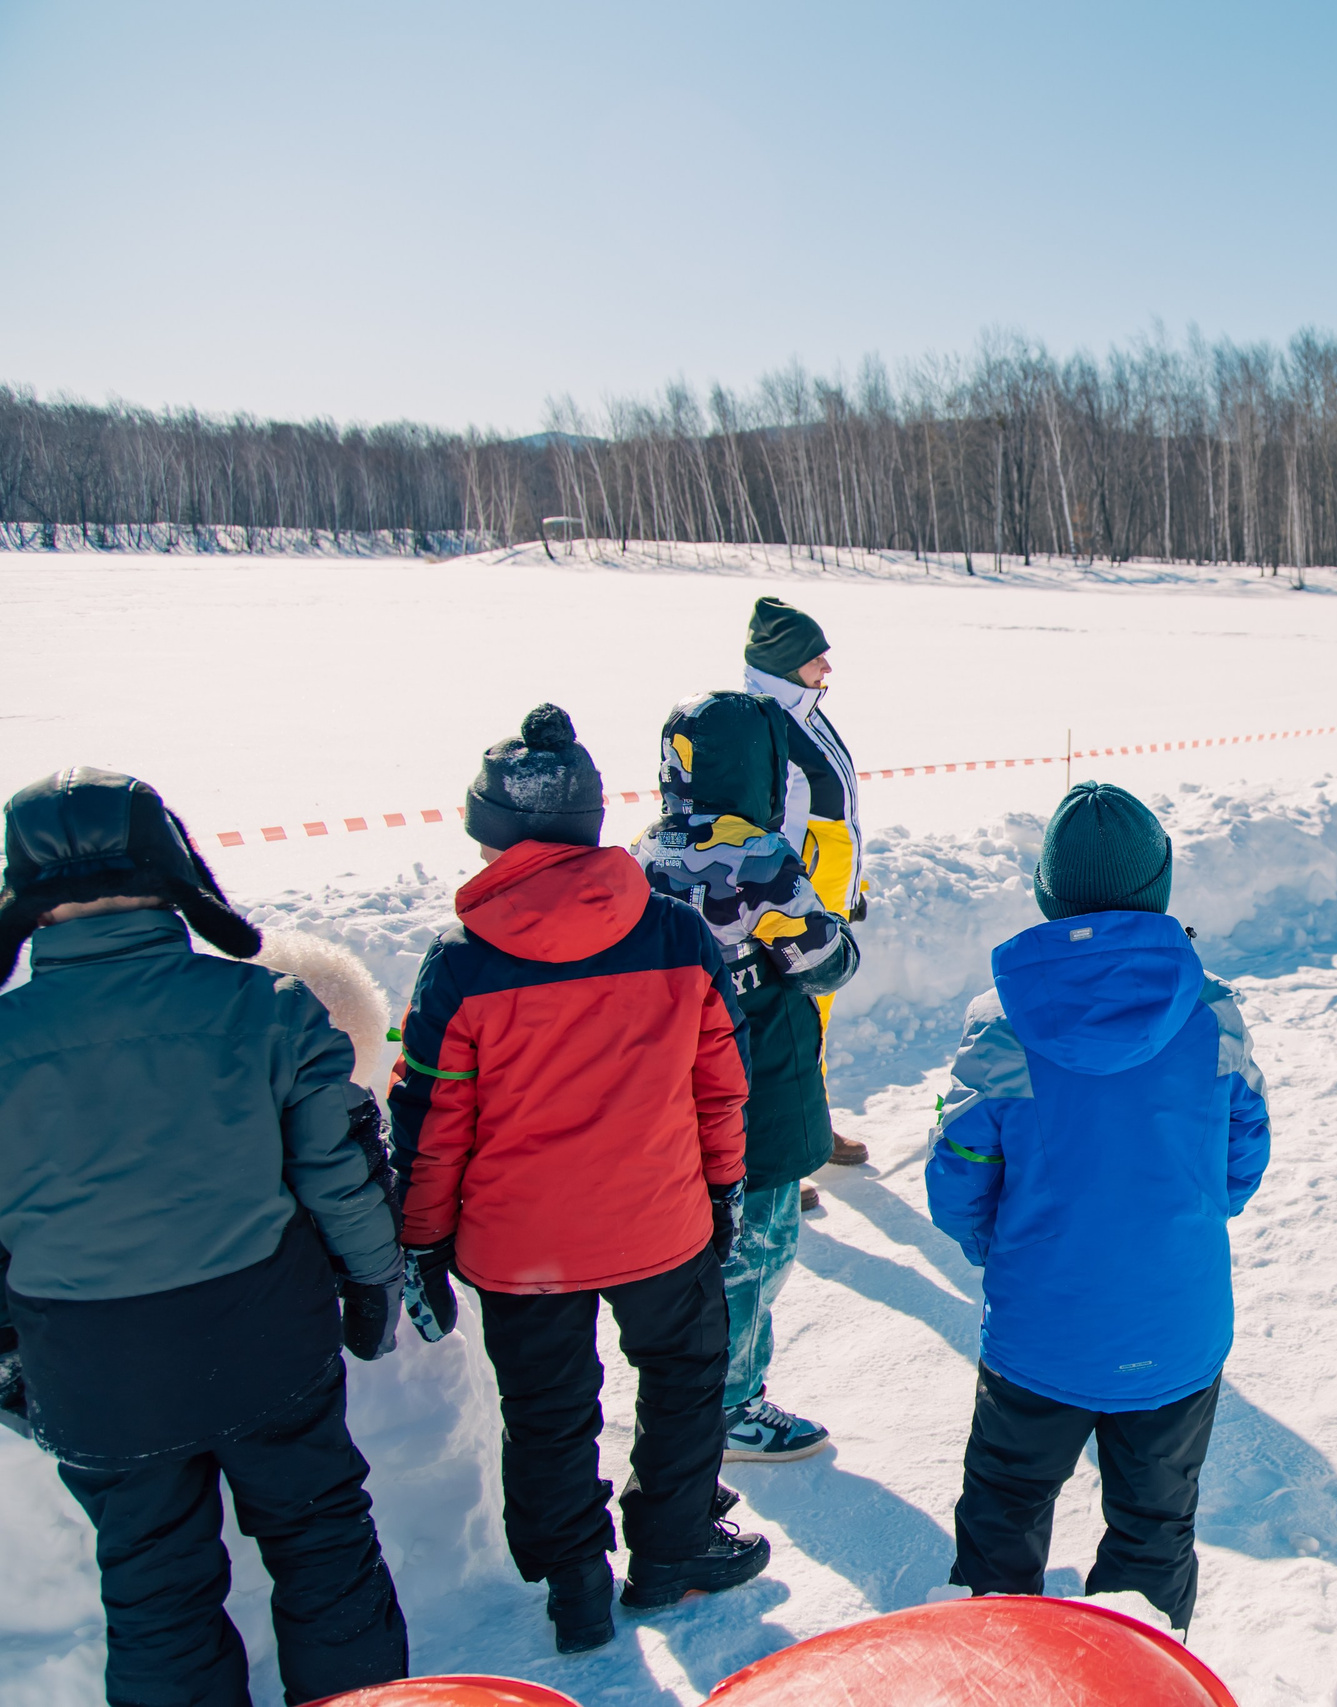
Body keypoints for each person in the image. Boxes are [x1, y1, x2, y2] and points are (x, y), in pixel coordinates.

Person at [0, 767, 409, 1705]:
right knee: (324, 1547)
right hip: (267, 1343)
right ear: (169, 871)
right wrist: (377, 1281)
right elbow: (338, 1170)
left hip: (97, 1377)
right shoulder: (264, 1006)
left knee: (153, 1592)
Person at [387, 706, 767, 1653]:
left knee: (548, 1411)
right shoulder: (674, 934)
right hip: (659, 1222)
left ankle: (575, 1588)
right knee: (683, 1378)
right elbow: (721, 1082)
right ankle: (672, 1550)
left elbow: (431, 1128)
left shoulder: (461, 964)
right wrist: (723, 1187)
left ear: (493, 835)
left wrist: (422, 1239)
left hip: (523, 1250)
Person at [926, 782, 1272, 1634]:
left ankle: (993, 1669)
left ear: (1050, 893)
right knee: (1154, 1533)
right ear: (1158, 888)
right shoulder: (1212, 1010)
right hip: (1175, 1326)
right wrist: (1177, 1218)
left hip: (1040, 1328)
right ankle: (1141, 1676)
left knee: (1003, 1517)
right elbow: (1242, 1156)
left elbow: (958, 1176)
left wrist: (1008, 1245)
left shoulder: (1001, 1023)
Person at [640, 690, 858, 1463]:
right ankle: (730, 1401)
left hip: (672, 1094)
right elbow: (820, 961)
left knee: (697, 1245)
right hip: (754, 1087)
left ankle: (690, 1383)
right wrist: (834, 930)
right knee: (760, 1245)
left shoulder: (642, 852)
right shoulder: (757, 855)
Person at [742, 595, 871, 1173]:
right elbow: (777, 831)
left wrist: (848, 895)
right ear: (786, 662)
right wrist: (797, 905)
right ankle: (778, 1156)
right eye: (817, 657)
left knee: (813, 1021)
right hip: (795, 910)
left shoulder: (802, 710)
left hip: (825, 901)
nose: (827, 668)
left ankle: (809, 1124)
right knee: (786, 1031)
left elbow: (836, 822)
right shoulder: (766, 722)